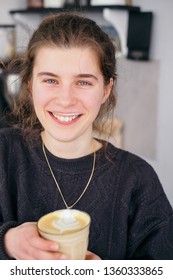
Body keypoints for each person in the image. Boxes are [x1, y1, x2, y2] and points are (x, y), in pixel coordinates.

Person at [0, 12, 173, 260]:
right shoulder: (4, 153)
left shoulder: (137, 180)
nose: (66, 100)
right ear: (29, 85)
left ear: (106, 89)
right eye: (50, 80)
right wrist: (6, 241)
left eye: (83, 83)